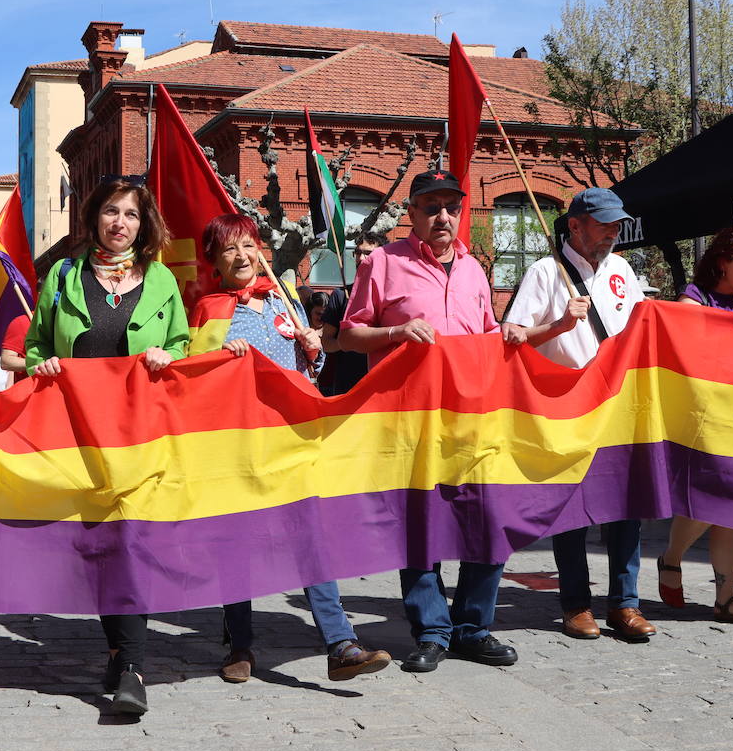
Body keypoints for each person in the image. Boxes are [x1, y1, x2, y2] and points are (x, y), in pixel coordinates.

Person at [189, 213, 392, 685]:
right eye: (229, 249)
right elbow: (193, 382)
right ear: (215, 260)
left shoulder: (286, 301)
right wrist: (220, 359)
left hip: (293, 440)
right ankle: (239, 645)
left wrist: (313, 350)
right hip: (239, 443)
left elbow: (310, 379)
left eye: (248, 246)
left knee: (310, 538)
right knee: (237, 542)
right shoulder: (208, 309)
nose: (241, 257)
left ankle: (340, 644)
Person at [341, 169, 518, 673]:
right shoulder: (382, 262)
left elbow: (487, 338)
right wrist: (396, 331)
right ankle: (432, 631)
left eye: (451, 207)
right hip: (409, 419)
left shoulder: (474, 270)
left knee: (486, 522)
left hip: (472, 419)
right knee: (420, 525)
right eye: (432, 206)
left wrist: (509, 333)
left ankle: (474, 629)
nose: (444, 216)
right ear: (411, 214)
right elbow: (349, 335)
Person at [24, 175, 189, 717]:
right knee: (103, 547)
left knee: (132, 544)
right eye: (112, 212)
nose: (121, 223)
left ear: (145, 225)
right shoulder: (64, 275)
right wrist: (41, 363)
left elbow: (183, 343)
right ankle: (120, 656)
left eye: (133, 215)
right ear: (94, 217)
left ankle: (132, 669)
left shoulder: (161, 279)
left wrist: (170, 354)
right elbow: (35, 345)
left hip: (142, 435)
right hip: (79, 437)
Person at [501, 188, 654, 642]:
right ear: (575, 225)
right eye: (604, 223)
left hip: (619, 405)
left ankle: (625, 603)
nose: (613, 231)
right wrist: (562, 325)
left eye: (616, 223)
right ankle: (576, 603)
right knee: (572, 512)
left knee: (627, 508)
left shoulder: (622, 269)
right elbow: (511, 335)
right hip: (568, 407)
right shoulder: (545, 272)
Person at [657, 226, 733, 624]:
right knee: (711, 499)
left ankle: (726, 597)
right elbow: (686, 341)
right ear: (723, 261)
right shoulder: (694, 299)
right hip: (704, 418)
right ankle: (671, 557)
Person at [319, 232, 387, 396]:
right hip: (346, 387)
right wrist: (347, 342)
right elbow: (326, 342)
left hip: (382, 385)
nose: (361, 258)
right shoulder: (341, 295)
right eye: (358, 252)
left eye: (368, 253)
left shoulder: (392, 295)